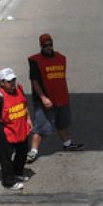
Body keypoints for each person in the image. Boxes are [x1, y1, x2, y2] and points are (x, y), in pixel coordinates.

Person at [27, 33, 84, 162]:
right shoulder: (35, 61)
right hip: (46, 100)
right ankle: (33, 151)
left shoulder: (61, 58)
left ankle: (67, 144)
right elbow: (34, 82)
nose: (48, 47)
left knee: (62, 123)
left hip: (61, 98)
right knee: (41, 126)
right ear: (41, 46)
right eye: (45, 45)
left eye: (50, 44)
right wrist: (43, 98)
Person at [0, 68, 33, 190]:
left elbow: (24, 104)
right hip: (6, 130)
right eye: (9, 81)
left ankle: (18, 172)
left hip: (20, 127)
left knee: (23, 151)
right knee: (6, 157)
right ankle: (8, 182)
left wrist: (28, 119)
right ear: (2, 82)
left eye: (13, 80)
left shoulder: (19, 89)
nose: (12, 83)